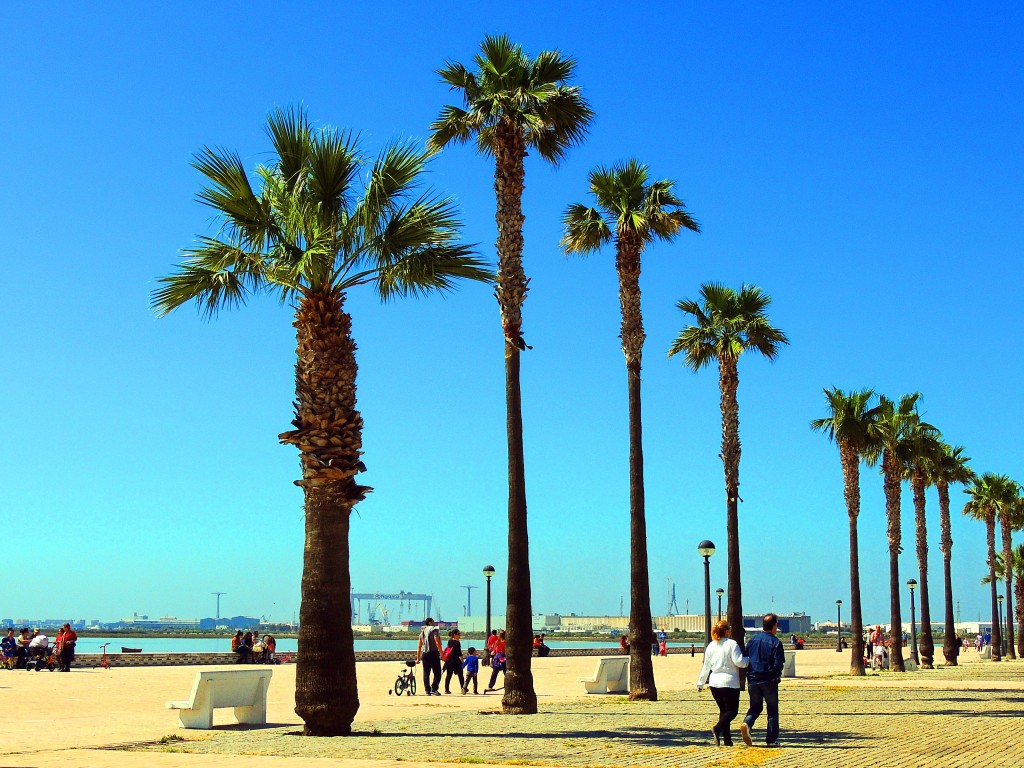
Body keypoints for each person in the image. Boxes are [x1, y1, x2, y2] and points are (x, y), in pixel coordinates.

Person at [697, 620, 750, 746]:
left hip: (714, 683)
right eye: (729, 628)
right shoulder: (732, 644)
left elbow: (706, 667)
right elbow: (739, 662)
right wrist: (748, 660)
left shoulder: (711, 645)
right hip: (730, 683)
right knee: (732, 711)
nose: (730, 630)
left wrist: (700, 683)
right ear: (726, 631)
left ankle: (727, 740)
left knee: (723, 711)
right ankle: (717, 728)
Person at [739, 613, 785, 748]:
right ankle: (771, 739)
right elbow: (778, 663)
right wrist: (776, 676)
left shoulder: (752, 640)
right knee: (772, 710)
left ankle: (747, 722)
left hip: (753, 679)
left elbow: (746, 659)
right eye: (777, 625)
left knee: (755, 706)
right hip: (768, 679)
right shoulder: (776, 642)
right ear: (774, 625)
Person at [415, 617, 443, 696]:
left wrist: (418, 658)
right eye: (433, 622)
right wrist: (442, 654)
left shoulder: (422, 632)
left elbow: (419, 646)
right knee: (437, 673)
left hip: (425, 654)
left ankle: (427, 690)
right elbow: (437, 642)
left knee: (426, 673)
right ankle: (434, 688)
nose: (434, 623)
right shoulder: (434, 630)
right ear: (430, 622)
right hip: (433, 653)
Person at [442, 629, 465, 694]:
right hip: (456, 661)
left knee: (448, 675)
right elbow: (459, 653)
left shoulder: (449, 641)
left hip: (449, 661)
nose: (459, 635)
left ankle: (446, 689)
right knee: (460, 675)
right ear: (454, 635)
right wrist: (463, 661)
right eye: (458, 634)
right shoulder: (457, 642)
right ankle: (463, 688)